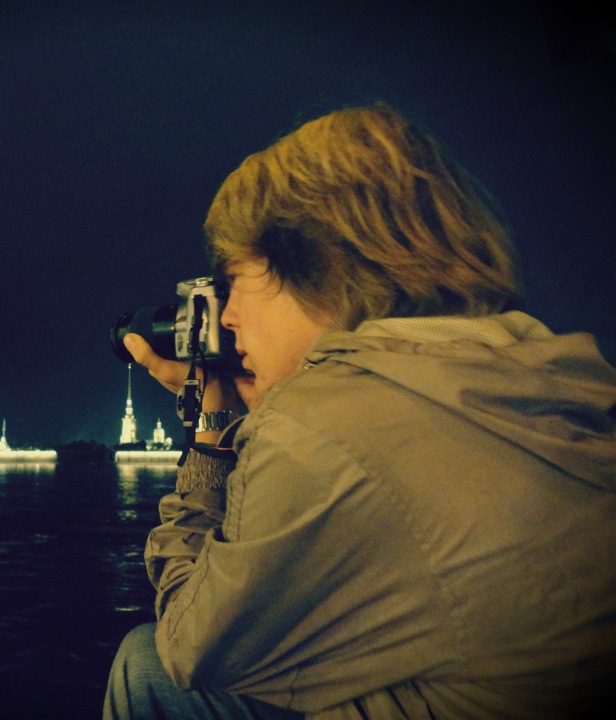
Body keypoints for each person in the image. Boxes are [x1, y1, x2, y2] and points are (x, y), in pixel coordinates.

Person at [102, 103, 616, 719]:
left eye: (236, 281)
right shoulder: (542, 367)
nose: (229, 318)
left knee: (147, 666)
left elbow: (191, 647)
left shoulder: (315, 425)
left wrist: (211, 435)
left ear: (319, 267)